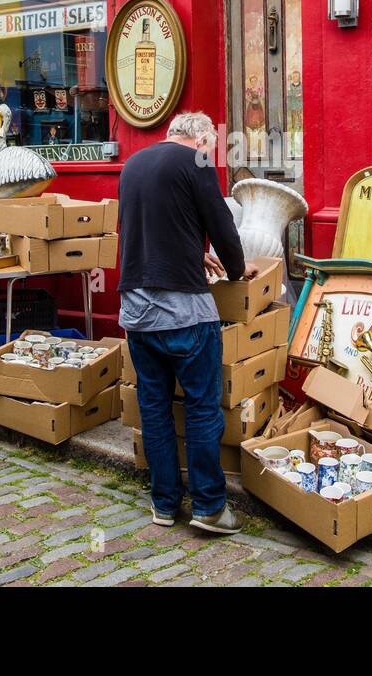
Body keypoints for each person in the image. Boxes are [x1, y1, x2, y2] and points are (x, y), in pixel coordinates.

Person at [117, 111, 258, 534]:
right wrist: (237, 271)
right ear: (199, 140)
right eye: (210, 149)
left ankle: (163, 505)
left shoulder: (134, 164)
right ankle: (210, 507)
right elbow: (222, 226)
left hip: (136, 309)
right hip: (183, 311)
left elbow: (143, 227)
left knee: (155, 409)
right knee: (201, 408)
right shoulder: (195, 162)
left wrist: (191, 252)